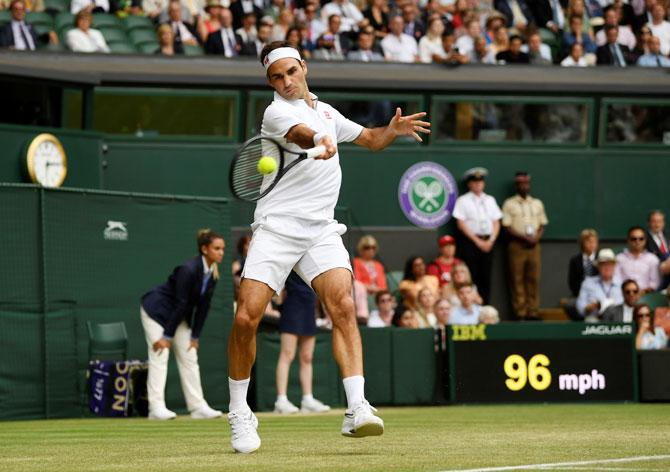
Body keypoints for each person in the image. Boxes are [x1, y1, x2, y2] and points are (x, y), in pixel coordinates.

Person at [226, 41, 430, 454]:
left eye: (291, 72)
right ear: (270, 81)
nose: (285, 82)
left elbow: (370, 140)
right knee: (247, 318)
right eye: (276, 77)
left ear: (304, 67)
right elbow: (301, 135)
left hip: (321, 230)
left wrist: (391, 130)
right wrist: (318, 137)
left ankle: (357, 408)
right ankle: (239, 413)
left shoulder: (327, 111)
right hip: (278, 227)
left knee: (342, 305)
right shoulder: (275, 112)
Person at [140, 229, 225, 420]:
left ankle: (197, 407)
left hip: (177, 317)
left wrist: (195, 337)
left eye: (222, 249)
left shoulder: (212, 274)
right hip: (156, 311)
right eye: (216, 248)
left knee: (190, 356)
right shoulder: (188, 269)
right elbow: (181, 303)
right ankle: (156, 408)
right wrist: (166, 337)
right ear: (205, 249)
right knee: (160, 354)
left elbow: (204, 306)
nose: (221, 252)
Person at [274, 272, 331, 414]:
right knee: (287, 354)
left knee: (307, 357)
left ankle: (307, 399)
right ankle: (281, 400)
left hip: (309, 308)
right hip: (292, 306)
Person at [501, 171, 548, 321]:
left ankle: (533, 311)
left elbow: (542, 224)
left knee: (533, 278)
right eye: (521, 183)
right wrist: (523, 237)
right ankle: (520, 312)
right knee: (517, 279)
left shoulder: (537, 203)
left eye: (526, 183)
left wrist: (536, 238)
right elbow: (507, 226)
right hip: (517, 245)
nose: (524, 186)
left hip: (534, 246)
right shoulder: (509, 203)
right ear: (516, 185)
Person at [453, 167, 502, 304]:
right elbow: (461, 223)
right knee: (472, 276)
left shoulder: (490, 200)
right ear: (469, 184)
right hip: (471, 243)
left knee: (486, 277)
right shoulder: (463, 200)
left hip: (488, 242)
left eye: (480, 182)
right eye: (474, 182)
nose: (478, 184)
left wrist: (491, 241)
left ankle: (485, 307)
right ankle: (471, 306)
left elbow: (496, 222)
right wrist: (477, 241)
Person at [576, 248, 623, 321]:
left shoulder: (621, 283)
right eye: (603, 264)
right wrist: (589, 308)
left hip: (617, 319)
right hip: (595, 318)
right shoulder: (588, 283)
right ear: (598, 266)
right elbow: (580, 308)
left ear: (614, 266)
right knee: (590, 321)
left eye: (610, 264)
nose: (607, 267)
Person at [615, 226, 660, 293]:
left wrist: (642, 293)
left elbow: (655, 283)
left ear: (645, 240)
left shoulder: (653, 259)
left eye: (641, 239)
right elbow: (616, 281)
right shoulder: (619, 259)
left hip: (646, 297)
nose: (637, 241)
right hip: (624, 295)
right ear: (628, 240)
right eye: (634, 239)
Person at [568, 228, 599, 298]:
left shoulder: (600, 258)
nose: (592, 244)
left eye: (594, 242)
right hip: (580, 294)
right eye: (588, 241)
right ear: (582, 243)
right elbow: (572, 282)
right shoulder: (575, 260)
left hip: (598, 294)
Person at [645, 210, 669, 289]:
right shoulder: (644, 238)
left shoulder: (668, 236)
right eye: (654, 221)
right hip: (655, 274)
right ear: (648, 223)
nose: (657, 224)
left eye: (660, 221)